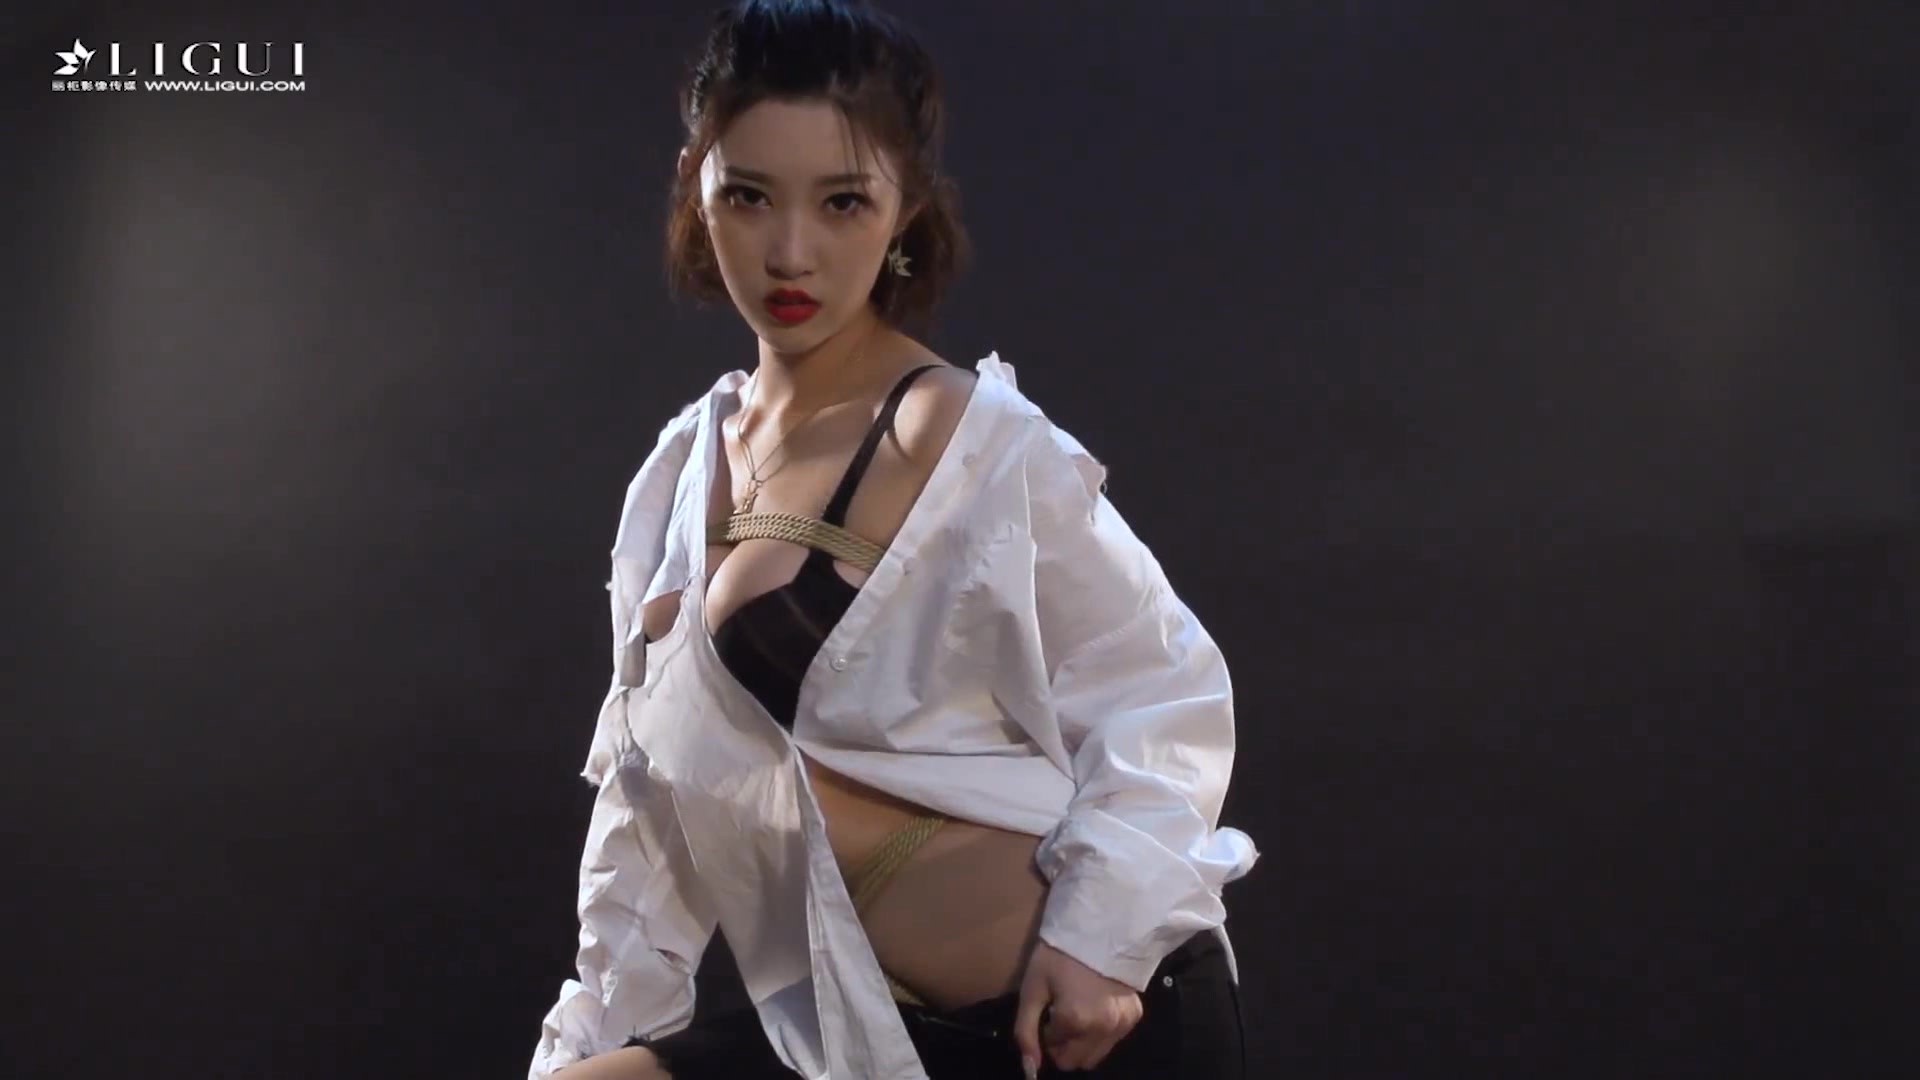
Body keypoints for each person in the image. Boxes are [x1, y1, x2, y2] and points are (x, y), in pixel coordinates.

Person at [529, 2, 1258, 1077]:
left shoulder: (957, 434)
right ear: (696, 185)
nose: (791, 252)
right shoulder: (680, 474)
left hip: (1083, 1025)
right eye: (749, 196)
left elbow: (1162, 687)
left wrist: (1101, 941)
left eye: (842, 202)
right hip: (871, 1036)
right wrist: (588, 1038)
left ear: (904, 207)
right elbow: (649, 812)